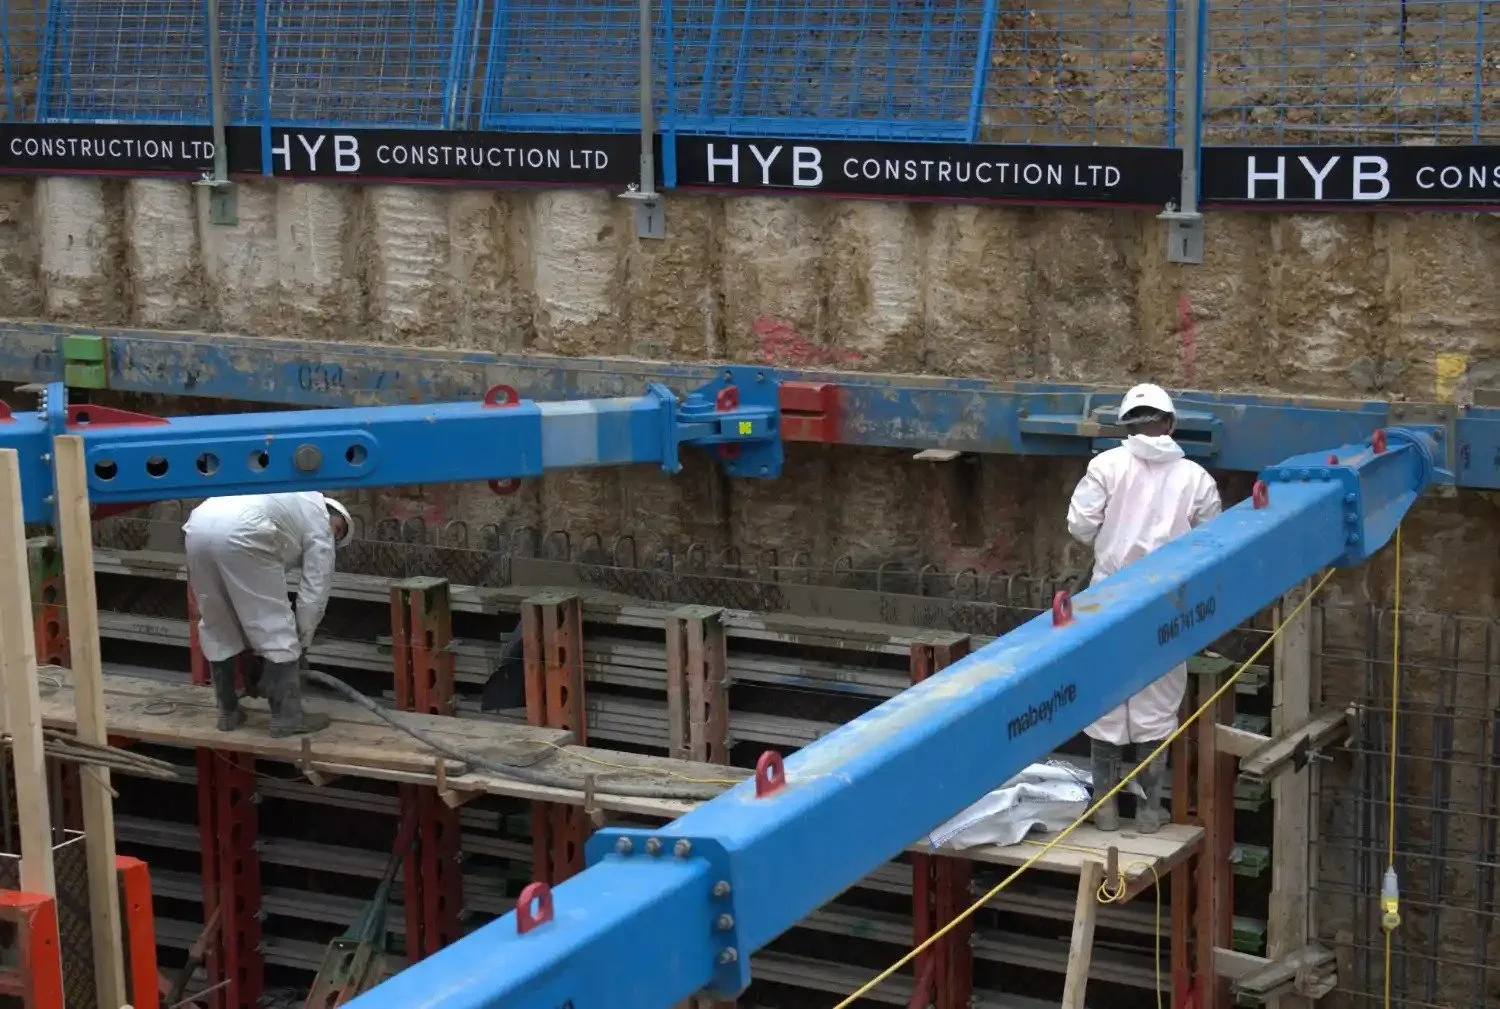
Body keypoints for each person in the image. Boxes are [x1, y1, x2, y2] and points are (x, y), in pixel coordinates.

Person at [1066, 383, 1221, 833]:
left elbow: (1079, 527)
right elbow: (1210, 544)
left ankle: (1107, 809)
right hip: (1167, 600)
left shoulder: (1106, 467)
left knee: (1104, 696)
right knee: (1158, 699)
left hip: (1108, 597)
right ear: (1170, 423)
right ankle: (1151, 812)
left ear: (1125, 426)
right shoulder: (1196, 479)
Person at [184, 492, 353, 737]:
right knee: (274, 626)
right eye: (338, 529)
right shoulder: (318, 516)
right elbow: (315, 588)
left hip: (199, 525)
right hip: (245, 528)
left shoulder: (289, 501)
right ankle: (287, 717)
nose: (333, 535)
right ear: (332, 513)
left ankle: (227, 710)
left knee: (216, 619)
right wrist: (301, 640)